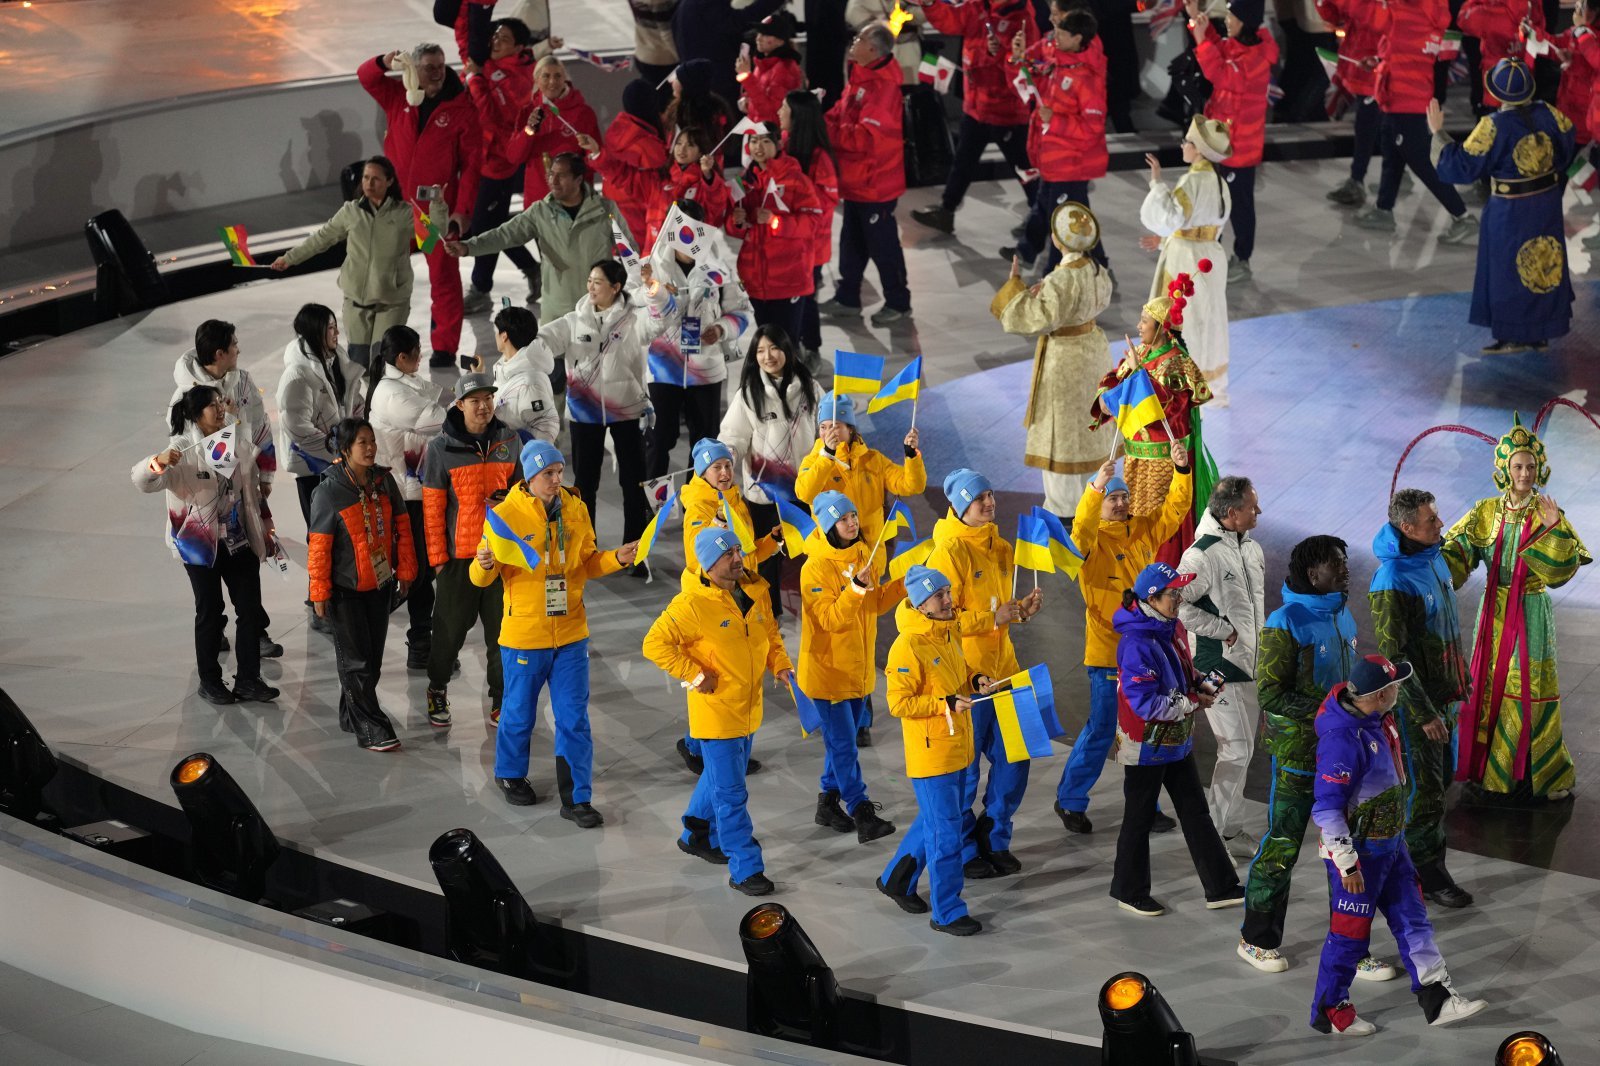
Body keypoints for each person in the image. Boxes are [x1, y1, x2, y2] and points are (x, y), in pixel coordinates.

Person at [1239, 536, 1399, 982]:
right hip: (1298, 758)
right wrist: (1333, 709)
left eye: (1345, 562)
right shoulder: (1284, 621)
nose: (1346, 569)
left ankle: (1352, 947)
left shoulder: (1341, 612)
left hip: (1346, 756)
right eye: (1338, 564)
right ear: (1314, 574)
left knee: (1350, 856)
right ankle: (1257, 938)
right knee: (1283, 845)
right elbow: (1271, 694)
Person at [1308, 655, 1488, 1035]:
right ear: (1379, 694)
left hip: (1391, 847)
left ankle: (1438, 1001)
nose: (1400, 690)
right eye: (1396, 686)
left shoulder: (1377, 720)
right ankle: (1330, 1011)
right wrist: (1348, 864)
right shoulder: (1342, 741)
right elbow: (1326, 808)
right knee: (1349, 938)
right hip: (1360, 860)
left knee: (1414, 921)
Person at [474, 440, 640, 822]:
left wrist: (617, 558)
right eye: (548, 473)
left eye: (560, 471)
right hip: (524, 637)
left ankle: (577, 798)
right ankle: (511, 774)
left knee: (574, 718)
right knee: (518, 713)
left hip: (570, 634)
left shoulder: (576, 507)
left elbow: (586, 564)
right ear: (530, 477)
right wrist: (483, 562)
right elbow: (480, 579)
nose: (557, 479)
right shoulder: (505, 515)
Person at [1446, 416, 1591, 802]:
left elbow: (1562, 569)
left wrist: (1554, 527)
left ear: (1538, 469)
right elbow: (1456, 551)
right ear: (1505, 470)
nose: (1524, 473)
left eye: (1529, 466)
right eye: (1517, 466)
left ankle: (1538, 772)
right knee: (1489, 683)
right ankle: (1484, 768)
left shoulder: (1546, 511)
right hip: (1493, 609)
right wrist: (1430, 563)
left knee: (1526, 686)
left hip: (1530, 609)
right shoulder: (1486, 511)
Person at [644, 528, 793, 895]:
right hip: (716, 713)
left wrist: (781, 664)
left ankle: (696, 830)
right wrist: (695, 674)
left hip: (748, 708)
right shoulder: (692, 605)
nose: (738, 557)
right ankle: (745, 868)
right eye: (728, 553)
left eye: (738, 550)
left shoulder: (754, 590)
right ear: (710, 563)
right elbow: (654, 643)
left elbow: (770, 633)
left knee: (721, 776)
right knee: (731, 793)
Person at [1054, 449, 1191, 835]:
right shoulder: (1088, 544)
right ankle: (1070, 800)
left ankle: (1146, 805)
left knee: (1146, 730)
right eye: (1113, 498)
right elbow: (1078, 530)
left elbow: (1176, 508)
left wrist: (1182, 470)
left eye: (1123, 497)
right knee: (1102, 731)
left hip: (1147, 652)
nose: (1120, 503)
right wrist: (1095, 487)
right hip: (1107, 656)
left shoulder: (1143, 529)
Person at [1108, 561, 1243, 916]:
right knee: (1138, 818)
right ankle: (1129, 890)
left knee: (1196, 812)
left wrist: (1197, 681)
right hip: (1146, 744)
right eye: (1174, 593)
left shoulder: (1171, 627)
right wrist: (1193, 701)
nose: (1180, 597)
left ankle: (1222, 887)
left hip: (1174, 740)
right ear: (1152, 598)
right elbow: (1145, 703)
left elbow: (1183, 669)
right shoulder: (1136, 643)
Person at [927, 469, 1044, 877]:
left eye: (991, 493)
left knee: (1018, 756)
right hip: (967, 679)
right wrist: (991, 617)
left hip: (1006, 671)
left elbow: (1002, 606)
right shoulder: (947, 553)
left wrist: (1020, 612)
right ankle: (963, 849)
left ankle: (995, 836)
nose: (990, 502)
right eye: (979, 497)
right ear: (960, 506)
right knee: (966, 769)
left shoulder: (1001, 546)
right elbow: (942, 619)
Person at [133, 386, 280, 706]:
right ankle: (210, 681)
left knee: (250, 610)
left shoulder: (233, 440)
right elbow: (142, 481)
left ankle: (248, 680)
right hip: (201, 546)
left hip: (239, 540)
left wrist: (265, 529)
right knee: (210, 613)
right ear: (195, 414)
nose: (219, 409)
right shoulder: (182, 448)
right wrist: (156, 462)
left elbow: (249, 490)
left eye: (220, 403)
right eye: (212, 406)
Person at [794, 397, 926, 731]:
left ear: (851, 427)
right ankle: (838, 705)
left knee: (866, 631)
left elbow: (911, 485)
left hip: (869, 559)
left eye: (836, 425)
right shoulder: (816, 461)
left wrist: (912, 457)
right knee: (841, 631)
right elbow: (805, 492)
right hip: (832, 561)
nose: (830, 431)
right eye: (823, 426)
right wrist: (826, 456)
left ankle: (861, 717)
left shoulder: (873, 460)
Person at [1369, 487, 1473, 908]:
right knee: (1425, 793)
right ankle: (1426, 877)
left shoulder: (1434, 560)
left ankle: (1421, 867)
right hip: (1420, 709)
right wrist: (1425, 712)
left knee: (1440, 781)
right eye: (1432, 520)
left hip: (1445, 697)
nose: (1440, 524)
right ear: (1408, 527)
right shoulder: (1391, 581)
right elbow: (1395, 658)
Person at [1429, 59, 1576, 354]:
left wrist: (1438, 133)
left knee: (1508, 269)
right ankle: (1540, 333)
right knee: (1544, 261)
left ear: (1497, 92)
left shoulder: (1493, 126)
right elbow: (1568, 144)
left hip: (1510, 210)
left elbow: (1461, 165)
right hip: (1546, 204)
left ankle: (1514, 336)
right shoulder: (1549, 114)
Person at [877, 565, 987, 935]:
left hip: (956, 747)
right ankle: (948, 911)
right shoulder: (908, 644)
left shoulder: (948, 631)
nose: (948, 599)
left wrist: (975, 679)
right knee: (946, 835)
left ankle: (897, 878)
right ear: (921, 605)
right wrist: (945, 703)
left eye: (947, 592)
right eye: (939, 595)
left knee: (937, 823)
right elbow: (898, 703)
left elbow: (958, 674)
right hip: (933, 756)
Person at [358, 44, 481, 368]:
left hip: (433, 214)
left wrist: (462, 210)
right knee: (384, 276)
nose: (437, 72)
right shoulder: (399, 96)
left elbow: (470, 165)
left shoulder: (460, 107)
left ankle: (443, 347)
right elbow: (366, 77)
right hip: (395, 209)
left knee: (442, 276)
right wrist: (383, 60)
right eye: (428, 67)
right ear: (414, 69)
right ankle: (386, 345)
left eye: (440, 65)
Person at [990, 202, 1114, 519]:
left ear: (1058, 241)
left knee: (1062, 434)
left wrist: (1015, 289)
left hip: (1066, 358)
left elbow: (1035, 318)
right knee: (1089, 425)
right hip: (1093, 350)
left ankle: (1065, 515)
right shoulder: (1098, 270)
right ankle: (1095, 503)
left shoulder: (1061, 280)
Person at [170, 319, 282, 660]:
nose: (239, 350)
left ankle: (256, 631)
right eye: (234, 345)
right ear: (220, 353)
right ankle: (215, 631)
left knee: (248, 572)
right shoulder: (186, 396)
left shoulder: (242, 380)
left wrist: (264, 476)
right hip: (205, 508)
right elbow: (190, 454)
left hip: (242, 495)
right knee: (209, 580)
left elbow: (261, 428)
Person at [308, 417, 416, 752]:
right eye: (362, 443)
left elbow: (403, 527)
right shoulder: (328, 491)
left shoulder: (384, 480)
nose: (370, 448)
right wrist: (319, 593)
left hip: (379, 586)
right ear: (345, 450)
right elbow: (319, 546)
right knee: (357, 663)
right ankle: (370, 728)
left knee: (372, 659)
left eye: (372, 441)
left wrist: (408, 570)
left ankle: (349, 714)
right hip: (345, 591)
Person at [799, 491, 902, 842]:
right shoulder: (814, 567)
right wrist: (855, 588)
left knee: (842, 745)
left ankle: (827, 802)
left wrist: (904, 584)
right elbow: (830, 618)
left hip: (858, 671)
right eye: (843, 519)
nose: (853, 522)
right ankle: (860, 810)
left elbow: (874, 605)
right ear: (829, 525)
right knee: (843, 745)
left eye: (854, 515)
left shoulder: (863, 554)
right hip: (828, 675)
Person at [535, 260, 656, 552]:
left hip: (627, 409)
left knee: (634, 483)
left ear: (616, 288)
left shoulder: (635, 319)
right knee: (585, 485)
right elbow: (542, 340)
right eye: (590, 280)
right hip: (584, 414)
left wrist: (655, 291)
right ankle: (586, 549)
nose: (591, 287)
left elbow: (661, 322)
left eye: (598, 282)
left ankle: (634, 549)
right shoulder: (574, 320)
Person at [422, 373, 522, 727]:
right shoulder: (439, 449)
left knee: (502, 633)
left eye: (488, 399)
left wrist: (509, 501)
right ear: (460, 404)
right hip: (458, 559)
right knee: (448, 633)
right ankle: (437, 688)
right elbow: (432, 509)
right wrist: (437, 561)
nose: (484, 407)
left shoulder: (510, 440)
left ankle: (500, 697)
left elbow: (521, 494)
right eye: (475, 400)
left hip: (500, 556)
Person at [1176, 476, 1266, 857]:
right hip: (1214, 669)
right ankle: (1215, 837)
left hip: (1250, 665)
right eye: (1252, 507)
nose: (1258, 512)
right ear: (1232, 513)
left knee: (1243, 751)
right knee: (1236, 749)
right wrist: (1221, 629)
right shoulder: (1201, 554)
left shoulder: (1252, 549)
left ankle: (1228, 830)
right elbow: (1176, 603)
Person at [1091, 289, 1213, 563]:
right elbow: (1116, 377)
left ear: (1161, 327)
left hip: (1163, 463)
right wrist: (1104, 396)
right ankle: (1136, 570)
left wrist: (1139, 372)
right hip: (1135, 458)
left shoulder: (1177, 363)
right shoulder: (1142, 352)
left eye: (1145, 320)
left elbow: (1166, 406)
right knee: (1133, 516)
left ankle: (1164, 576)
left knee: (1161, 522)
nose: (1139, 325)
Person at [447, 153, 632, 328]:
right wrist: (468, 247)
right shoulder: (540, 212)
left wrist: (631, 291)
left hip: (599, 312)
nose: (554, 181)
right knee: (556, 362)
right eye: (551, 174)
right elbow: (504, 235)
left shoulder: (605, 210)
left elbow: (629, 251)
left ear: (578, 179)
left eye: (561, 175)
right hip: (557, 316)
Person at [641, 200, 752, 478]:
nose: (686, 237)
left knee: (706, 443)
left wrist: (721, 329)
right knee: (658, 441)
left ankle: (700, 506)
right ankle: (651, 509)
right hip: (663, 371)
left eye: (692, 230)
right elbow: (634, 314)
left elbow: (741, 310)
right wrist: (653, 293)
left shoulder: (718, 269)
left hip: (706, 372)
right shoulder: (651, 268)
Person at [1353, 0, 1478, 243]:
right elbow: (1406, 52)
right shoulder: (1427, 11)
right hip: (1406, 94)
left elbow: (1362, 11)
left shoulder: (1402, 11)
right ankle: (1384, 209)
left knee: (1421, 161)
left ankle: (1462, 216)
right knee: (1393, 153)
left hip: (1404, 98)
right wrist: (1379, 63)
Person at [911, 0, 1039, 237]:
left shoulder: (1021, 18)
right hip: (977, 105)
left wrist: (996, 53)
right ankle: (946, 211)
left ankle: (1042, 216)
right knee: (963, 162)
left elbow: (1022, 64)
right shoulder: (978, 6)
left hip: (1006, 110)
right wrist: (930, 4)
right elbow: (950, 20)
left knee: (1024, 167)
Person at [718, 324, 822, 611]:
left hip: (803, 491)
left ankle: (820, 607)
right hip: (763, 496)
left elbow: (824, 427)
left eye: (774, 348)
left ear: (786, 350)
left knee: (813, 553)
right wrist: (725, 457)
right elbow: (733, 436)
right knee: (766, 560)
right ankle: (769, 613)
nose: (768, 356)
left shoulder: (810, 387)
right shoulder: (749, 394)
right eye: (761, 350)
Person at [271, 156, 413, 365]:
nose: (369, 184)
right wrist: (289, 258)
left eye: (375, 179)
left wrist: (438, 206)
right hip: (356, 302)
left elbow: (434, 236)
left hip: (392, 302)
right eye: (365, 178)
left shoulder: (404, 213)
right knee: (358, 364)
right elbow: (321, 238)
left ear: (390, 181)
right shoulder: (351, 211)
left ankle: (382, 397)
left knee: (382, 363)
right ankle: (367, 398)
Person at [363, 324, 448, 670]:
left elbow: (431, 395)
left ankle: (421, 642)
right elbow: (435, 419)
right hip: (405, 493)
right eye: (417, 351)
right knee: (417, 570)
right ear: (402, 357)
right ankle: (412, 641)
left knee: (420, 570)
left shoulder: (399, 383)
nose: (423, 356)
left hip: (414, 489)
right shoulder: (391, 393)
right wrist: (468, 409)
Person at [1005, 2, 1110, 274]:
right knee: (1052, 210)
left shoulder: (1087, 77)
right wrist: (1016, 59)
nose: (1054, 35)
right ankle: (1096, 264)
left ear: (1077, 38)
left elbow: (1093, 127)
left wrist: (1056, 120)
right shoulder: (1057, 64)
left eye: (1060, 32)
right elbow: (1028, 80)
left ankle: (1052, 275)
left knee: (1062, 222)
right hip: (1052, 159)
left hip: (1071, 163)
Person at [819, 23, 913, 327]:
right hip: (856, 182)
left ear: (873, 49)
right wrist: (820, 120)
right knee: (852, 242)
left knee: (883, 246)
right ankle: (848, 297)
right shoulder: (861, 76)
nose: (853, 42)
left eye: (859, 39)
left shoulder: (883, 87)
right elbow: (840, 112)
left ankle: (899, 302)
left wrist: (827, 131)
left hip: (876, 184)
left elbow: (864, 138)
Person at [1138, 119, 1234, 402]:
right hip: (1211, 255)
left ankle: (1177, 380)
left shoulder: (1192, 180)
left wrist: (1156, 184)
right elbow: (1206, 226)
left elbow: (1170, 218)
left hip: (1187, 257)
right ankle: (1207, 380)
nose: (1183, 146)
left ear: (1199, 150)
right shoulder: (1219, 182)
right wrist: (1167, 239)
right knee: (1209, 317)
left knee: (1183, 316)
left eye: (1187, 142)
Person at [1186, 0, 1278, 285]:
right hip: (1220, 144)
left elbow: (1222, 75)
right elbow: (1220, 49)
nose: (1227, 20)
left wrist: (1202, 40)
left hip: (1239, 150)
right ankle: (1209, 254)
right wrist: (1196, 22)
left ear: (1246, 21)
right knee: (1214, 203)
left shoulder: (1257, 57)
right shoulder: (1238, 46)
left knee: (1238, 206)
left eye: (1232, 16)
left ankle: (1243, 258)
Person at [462, 19, 542, 312]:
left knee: (485, 227)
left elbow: (494, 120)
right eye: (495, 34)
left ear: (519, 47)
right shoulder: (483, 66)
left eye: (504, 38)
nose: (496, 40)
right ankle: (532, 269)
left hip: (498, 163)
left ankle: (481, 289)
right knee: (488, 224)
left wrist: (475, 81)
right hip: (476, 159)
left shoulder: (519, 78)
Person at [275, 304, 365, 532]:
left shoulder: (337, 361)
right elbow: (297, 429)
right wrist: (338, 452)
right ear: (316, 332)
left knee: (349, 532)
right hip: (313, 470)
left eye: (336, 327)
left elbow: (354, 403)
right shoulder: (297, 375)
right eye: (331, 328)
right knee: (322, 536)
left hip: (342, 463)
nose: (337, 334)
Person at [727, 123, 820, 346]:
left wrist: (775, 221)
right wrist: (736, 221)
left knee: (787, 346)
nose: (759, 146)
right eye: (754, 141)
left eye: (766, 141)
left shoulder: (795, 179)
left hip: (788, 279)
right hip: (755, 280)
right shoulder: (744, 180)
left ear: (778, 144)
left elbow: (813, 223)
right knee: (767, 345)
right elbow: (734, 227)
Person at [779, 90, 840, 369]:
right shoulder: (785, 144)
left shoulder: (820, 158)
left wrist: (795, 191)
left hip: (810, 245)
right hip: (786, 240)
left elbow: (826, 202)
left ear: (798, 117)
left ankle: (811, 347)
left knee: (805, 298)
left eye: (784, 108)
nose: (779, 112)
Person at [1318, 0, 1386, 207]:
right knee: (1374, 122)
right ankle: (1396, 167)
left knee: (1367, 123)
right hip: (1358, 59)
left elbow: (1376, 19)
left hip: (1376, 62)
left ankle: (1358, 180)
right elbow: (1334, 16)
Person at [597, 80, 670, 249]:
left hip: (615, 208)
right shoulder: (648, 147)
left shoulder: (617, 130)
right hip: (639, 212)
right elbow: (656, 185)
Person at [477, 306, 559, 443]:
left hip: (514, 460)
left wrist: (515, 450)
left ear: (504, 336)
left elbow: (545, 428)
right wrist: (478, 379)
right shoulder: (506, 369)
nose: (495, 335)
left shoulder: (530, 382)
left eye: (497, 331)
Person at [646, 127, 736, 251]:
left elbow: (716, 204)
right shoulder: (661, 177)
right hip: (656, 252)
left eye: (690, 145)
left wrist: (707, 174)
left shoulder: (705, 181)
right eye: (679, 143)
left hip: (690, 253)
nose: (682, 149)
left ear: (701, 152)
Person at [737, 11, 806, 124]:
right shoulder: (762, 64)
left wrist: (747, 78)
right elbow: (759, 99)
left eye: (766, 35)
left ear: (780, 41)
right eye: (759, 33)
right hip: (759, 133)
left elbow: (772, 115)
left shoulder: (785, 69)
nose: (758, 38)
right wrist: (747, 101)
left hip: (772, 137)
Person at [662, 57, 737, 145]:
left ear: (688, 85)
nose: (672, 81)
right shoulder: (678, 105)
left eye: (678, 79)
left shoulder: (707, 113)